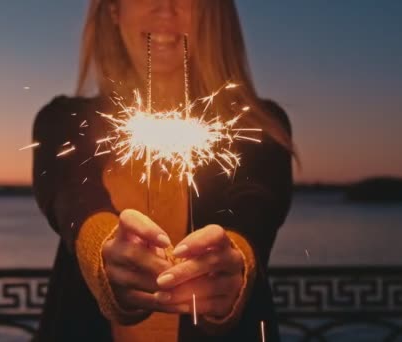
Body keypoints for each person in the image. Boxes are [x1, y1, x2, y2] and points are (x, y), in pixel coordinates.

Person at [32, 0, 294, 341]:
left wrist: (233, 267)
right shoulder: (65, 121)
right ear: (113, 10)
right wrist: (103, 250)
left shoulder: (261, 127)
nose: (166, 8)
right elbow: (69, 195)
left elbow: (256, 205)